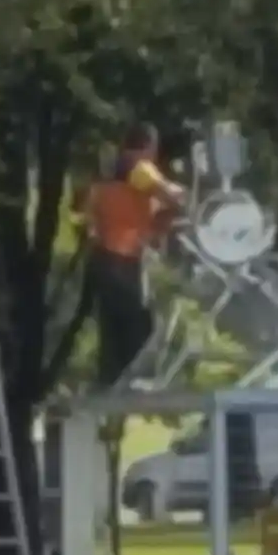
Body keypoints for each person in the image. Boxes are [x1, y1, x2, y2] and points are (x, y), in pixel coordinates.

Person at [82, 122, 187, 385]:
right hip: (121, 260)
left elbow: (141, 221)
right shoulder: (139, 169)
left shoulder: (113, 174)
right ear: (148, 146)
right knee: (139, 326)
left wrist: (164, 218)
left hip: (104, 258)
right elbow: (173, 196)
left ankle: (110, 385)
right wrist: (182, 196)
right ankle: (132, 383)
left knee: (113, 332)